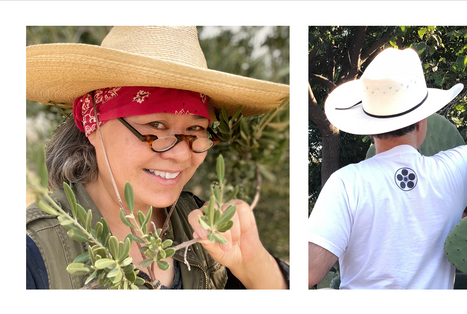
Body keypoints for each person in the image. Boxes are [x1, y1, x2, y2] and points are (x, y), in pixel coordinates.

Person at [26, 26, 289, 289]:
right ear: (91, 121)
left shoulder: (206, 226)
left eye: (195, 129)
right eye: (156, 125)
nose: (181, 153)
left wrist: (253, 263)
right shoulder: (31, 255)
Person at [308, 48, 467, 289]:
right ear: (421, 122)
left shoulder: (346, 183)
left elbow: (309, 271)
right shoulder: (453, 173)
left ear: (370, 127)